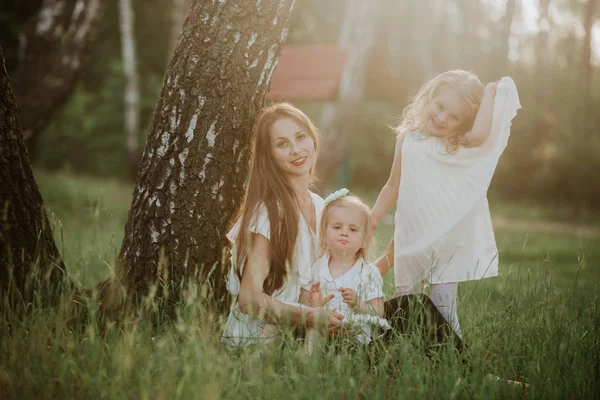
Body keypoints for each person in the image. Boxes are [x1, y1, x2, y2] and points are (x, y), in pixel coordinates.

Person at [370, 70, 521, 337]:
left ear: (462, 124)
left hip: (444, 241)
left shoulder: (455, 142)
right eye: (440, 107)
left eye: (454, 117)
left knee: (444, 309)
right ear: (429, 97)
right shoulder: (407, 139)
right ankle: (414, 355)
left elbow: (482, 134)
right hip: (411, 238)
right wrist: (372, 220)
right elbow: (393, 185)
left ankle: (455, 360)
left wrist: (489, 92)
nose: (442, 118)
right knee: (408, 303)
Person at [221, 103, 344, 348]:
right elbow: (249, 299)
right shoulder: (270, 213)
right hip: (264, 339)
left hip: (309, 332)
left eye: (300, 137)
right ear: (270, 156)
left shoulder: (322, 208)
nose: (296, 149)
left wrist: (388, 258)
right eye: (282, 144)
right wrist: (310, 316)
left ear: (313, 138)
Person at [300, 189, 390, 353]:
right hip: (324, 328)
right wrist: (315, 304)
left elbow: (378, 312)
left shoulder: (368, 273)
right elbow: (304, 304)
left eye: (353, 230)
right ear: (324, 233)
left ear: (364, 240)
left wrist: (358, 304)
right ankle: (307, 362)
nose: (344, 233)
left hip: (354, 334)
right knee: (313, 328)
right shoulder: (316, 267)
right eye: (337, 227)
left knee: (353, 338)